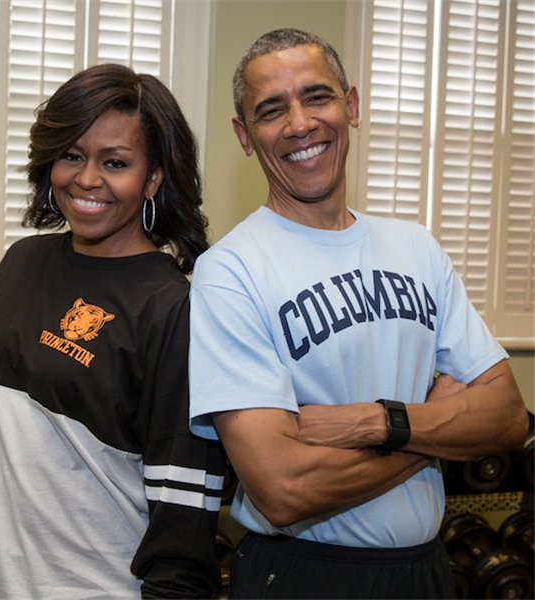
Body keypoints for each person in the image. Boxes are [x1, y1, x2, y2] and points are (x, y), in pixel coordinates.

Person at [188, 28, 528, 600]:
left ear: (352, 104)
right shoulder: (230, 272)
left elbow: (509, 417)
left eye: (317, 97)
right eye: (272, 110)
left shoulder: (415, 248)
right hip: (301, 573)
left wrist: (374, 422)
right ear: (245, 137)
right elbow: (282, 489)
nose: (299, 123)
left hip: (426, 569)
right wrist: (432, 434)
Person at [0, 64, 225, 600]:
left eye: (115, 162)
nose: (87, 179)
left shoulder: (173, 307)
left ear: (153, 178)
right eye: (72, 155)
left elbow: (183, 507)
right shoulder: (22, 260)